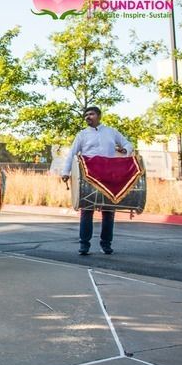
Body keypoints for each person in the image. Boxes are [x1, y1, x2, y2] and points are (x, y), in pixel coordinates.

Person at [61, 106, 133, 256]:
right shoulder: (82, 135)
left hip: (109, 176)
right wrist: (65, 172)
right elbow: (72, 154)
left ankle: (106, 245)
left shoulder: (111, 132)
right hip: (89, 176)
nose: (88, 117)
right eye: (86, 115)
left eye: (91, 114)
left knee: (108, 211)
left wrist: (124, 151)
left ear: (99, 116)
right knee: (86, 211)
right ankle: (84, 245)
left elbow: (128, 144)